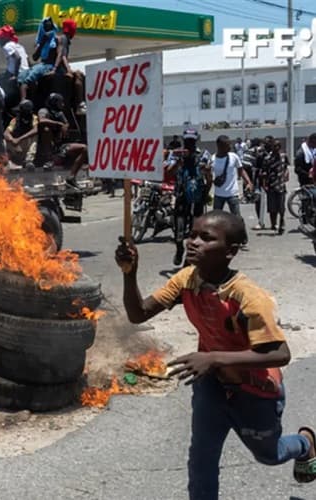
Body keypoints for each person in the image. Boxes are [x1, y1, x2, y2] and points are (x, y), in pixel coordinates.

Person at [115, 211, 316, 499]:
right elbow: (138, 314)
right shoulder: (186, 279)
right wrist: (129, 274)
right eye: (193, 235)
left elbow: (280, 353)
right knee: (201, 461)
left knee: (270, 455)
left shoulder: (248, 296)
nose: (192, 242)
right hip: (211, 384)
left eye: (206, 238)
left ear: (230, 252)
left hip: (255, 388)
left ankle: (305, 443)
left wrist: (213, 358)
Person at [167, 128, 211, 267]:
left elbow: (209, 177)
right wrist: (178, 163)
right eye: (187, 140)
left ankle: (188, 259)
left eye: (192, 140)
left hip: (197, 197)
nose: (189, 143)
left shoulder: (203, 155)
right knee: (179, 230)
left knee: (196, 229)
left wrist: (206, 191)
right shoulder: (177, 154)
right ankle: (179, 249)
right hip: (181, 195)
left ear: (196, 140)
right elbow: (168, 173)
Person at [36, 93, 87, 179]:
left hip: (60, 145)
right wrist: (58, 124)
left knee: (84, 148)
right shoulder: (44, 111)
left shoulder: (59, 113)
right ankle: (49, 159)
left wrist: (64, 127)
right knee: (46, 129)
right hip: (44, 146)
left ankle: (71, 177)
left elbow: (66, 124)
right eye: (60, 102)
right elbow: (41, 120)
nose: (62, 105)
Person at [211, 135, 252, 216]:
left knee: (237, 218)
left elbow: (241, 169)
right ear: (219, 146)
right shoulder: (213, 159)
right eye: (227, 145)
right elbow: (209, 175)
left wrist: (248, 182)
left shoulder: (233, 156)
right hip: (218, 194)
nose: (230, 147)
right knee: (216, 218)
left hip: (232, 194)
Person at [261, 139, 289, 235]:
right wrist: (264, 184)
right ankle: (274, 224)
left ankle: (281, 221)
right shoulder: (267, 158)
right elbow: (264, 172)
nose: (277, 148)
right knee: (272, 207)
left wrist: (286, 174)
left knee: (281, 207)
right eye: (275, 146)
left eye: (278, 146)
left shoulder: (283, 156)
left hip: (281, 185)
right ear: (272, 147)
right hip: (271, 185)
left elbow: (286, 167)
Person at [4, 99, 38, 169]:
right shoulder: (15, 120)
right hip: (17, 147)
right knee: (3, 141)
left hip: (26, 145)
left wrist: (20, 139)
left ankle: (29, 161)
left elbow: (35, 130)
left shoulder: (34, 118)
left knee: (35, 136)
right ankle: (8, 161)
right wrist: (12, 139)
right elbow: (6, 133)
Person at [241, 138, 266, 230]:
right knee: (260, 200)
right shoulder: (256, 151)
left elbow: (244, 167)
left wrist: (248, 182)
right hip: (259, 180)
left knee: (259, 200)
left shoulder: (250, 152)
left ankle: (261, 222)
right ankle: (267, 222)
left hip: (258, 180)